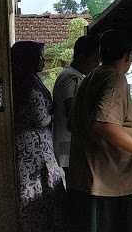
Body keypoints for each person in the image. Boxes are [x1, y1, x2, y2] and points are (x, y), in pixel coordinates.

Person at [69, 30, 132, 232]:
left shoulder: (89, 78)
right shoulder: (115, 79)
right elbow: (104, 124)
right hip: (108, 183)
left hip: (85, 179)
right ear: (127, 56)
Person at [11, 41, 65, 232]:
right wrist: (55, 112)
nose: (43, 60)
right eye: (39, 57)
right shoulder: (26, 83)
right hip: (33, 150)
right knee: (38, 200)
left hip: (37, 147)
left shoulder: (29, 79)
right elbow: (39, 117)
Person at [53, 35, 100, 179]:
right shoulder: (71, 78)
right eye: (95, 59)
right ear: (81, 56)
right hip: (69, 147)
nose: (97, 63)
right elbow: (73, 113)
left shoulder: (72, 75)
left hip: (69, 146)